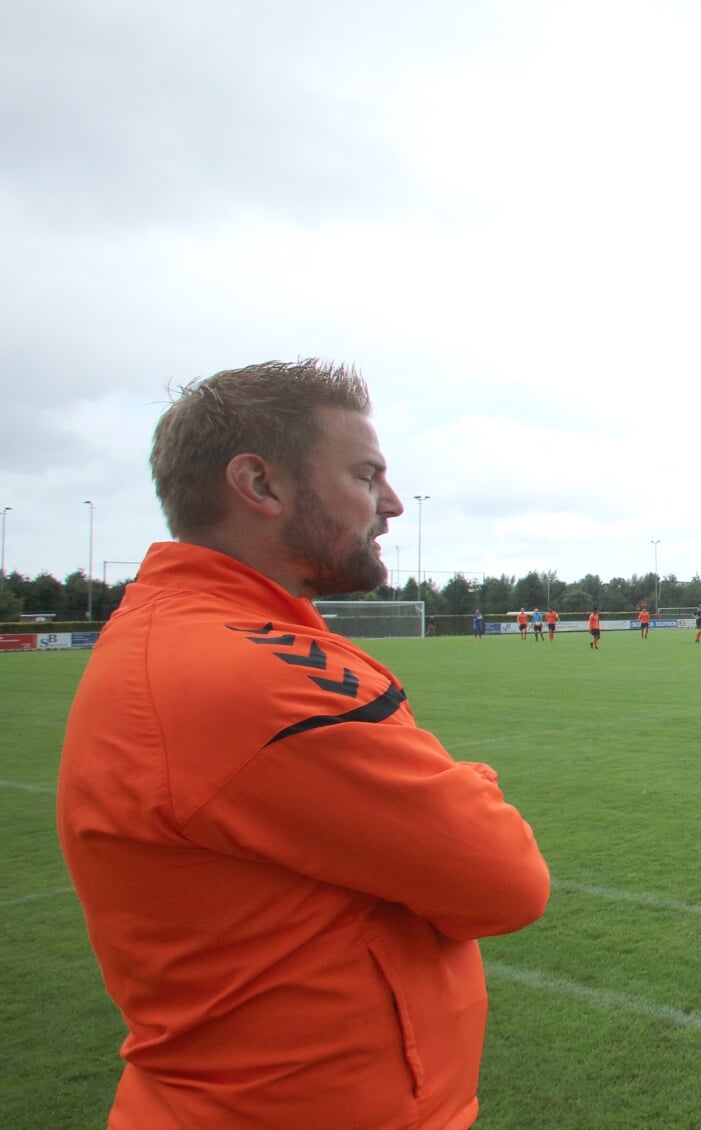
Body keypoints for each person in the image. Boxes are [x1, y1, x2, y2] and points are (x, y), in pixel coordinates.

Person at [56, 360, 551, 1128]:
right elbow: (506, 878)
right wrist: (466, 781)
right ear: (259, 485)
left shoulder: (174, 636)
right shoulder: (254, 672)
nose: (390, 504)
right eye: (365, 476)